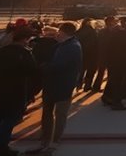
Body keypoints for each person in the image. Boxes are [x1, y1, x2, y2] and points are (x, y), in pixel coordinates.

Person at [29, 22, 83, 154]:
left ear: (63, 31)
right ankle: (48, 138)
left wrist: (42, 67)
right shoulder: (68, 44)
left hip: (61, 85)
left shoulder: (70, 47)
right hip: (57, 85)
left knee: (59, 114)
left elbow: (58, 66)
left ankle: (53, 140)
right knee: (51, 113)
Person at [0, 25, 39, 156]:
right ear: (26, 39)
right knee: (9, 120)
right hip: (16, 91)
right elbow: (33, 72)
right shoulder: (25, 53)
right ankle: (3, 147)